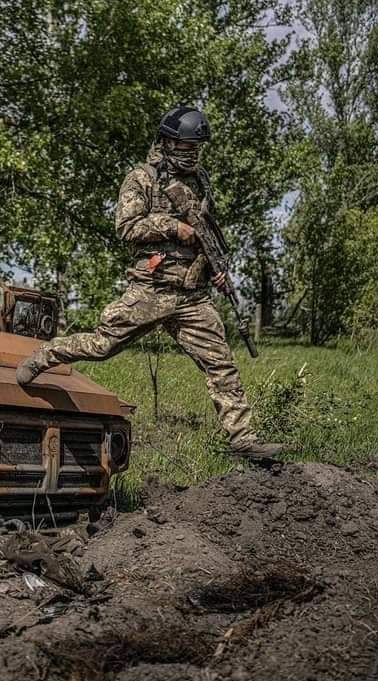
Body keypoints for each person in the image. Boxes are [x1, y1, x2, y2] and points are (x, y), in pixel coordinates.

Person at [15, 106, 285, 461]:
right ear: (169, 142)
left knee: (221, 364)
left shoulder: (200, 180)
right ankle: (45, 355)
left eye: (197, 148)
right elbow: (127, 228)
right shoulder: (142, 178)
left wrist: (215, 269)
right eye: (188, 147)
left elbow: (207, 234)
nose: (193, 154)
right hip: (152, 290)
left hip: (192, 296)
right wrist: (173, 228)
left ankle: (242, 440)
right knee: (102, 346)